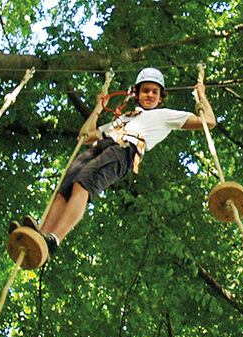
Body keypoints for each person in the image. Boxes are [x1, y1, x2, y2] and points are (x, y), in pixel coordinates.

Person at [14, 67, 219, 252]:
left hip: (124, 150)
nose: (149, 95)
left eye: (154, 92)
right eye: (145, 90)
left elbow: (209, 122)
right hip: (103, 145)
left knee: (82, 184)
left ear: (160, 97)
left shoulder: (165, 116)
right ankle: (39, 235)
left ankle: (54, 238)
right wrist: (97, 109)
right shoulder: (124, 119)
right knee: (65, 188)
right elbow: (86, 136)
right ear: (137, 94)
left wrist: (202, 97)